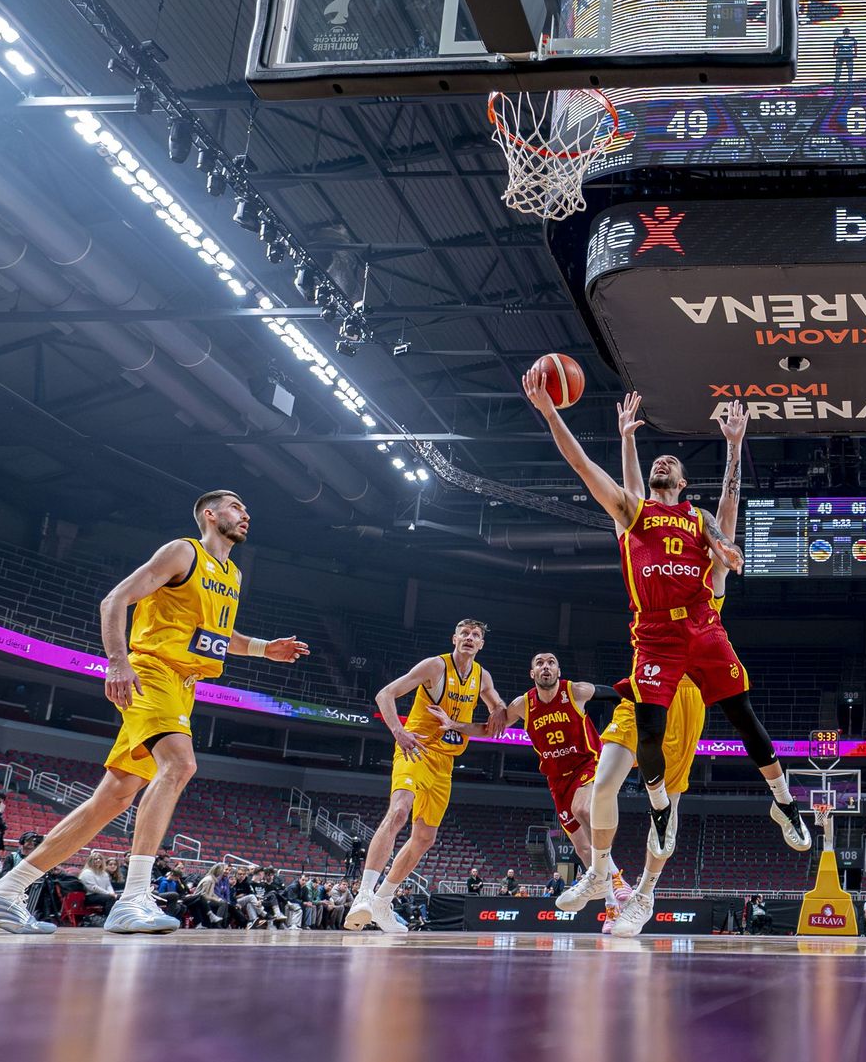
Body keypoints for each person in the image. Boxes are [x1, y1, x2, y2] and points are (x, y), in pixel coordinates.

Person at [0, 490, 309, 935]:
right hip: (153, 671)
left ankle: (2, 893)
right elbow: (114, 600)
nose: (246, 514)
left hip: (185, 686)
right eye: (235, 507)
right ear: (209, 514)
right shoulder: (183, 551)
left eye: (246, 509)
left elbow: (217, 636)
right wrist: (117, 661)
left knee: (111, 800)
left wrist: (266, 649)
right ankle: (132, 899)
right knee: (181, 765)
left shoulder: (233, 575)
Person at [537, 387, 808, 936]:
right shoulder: (636, 522)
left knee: (671, 806)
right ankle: (598, 872)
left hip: (689, 691)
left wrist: (735, 448)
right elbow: (606, 479)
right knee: (603, 787)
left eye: (675, 469)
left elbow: (726, 515)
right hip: (645, 676)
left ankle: (644, 895)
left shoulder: (710, 563)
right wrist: (595, 430)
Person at [345, 618, 508, 933]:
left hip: (445, 762)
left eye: (476, 635)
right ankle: (363, 895)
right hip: (414, 749)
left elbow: (496, 719)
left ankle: (382, 901)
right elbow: (385, 694)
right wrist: (399, 731)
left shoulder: (482, 677)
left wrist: (498, 707)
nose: (470, 638)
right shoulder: (435, 667)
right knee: (399, 811)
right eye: (465, 633)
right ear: (454, 638)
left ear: (481, 644)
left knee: (425, 838)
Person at [478, 651, 633, 929]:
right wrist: (454, 726)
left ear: (558, 671)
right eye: (539, 663)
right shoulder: (522, 705)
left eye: (551, 662)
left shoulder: (576, 690)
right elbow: (490, 729)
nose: (545, 666)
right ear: (532, 673)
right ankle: (612, 905)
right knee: (583, 848)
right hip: (556, 779)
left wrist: (638, 707)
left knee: (583, 808)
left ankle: (617, 878)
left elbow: (617, 695)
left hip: (587, 762)